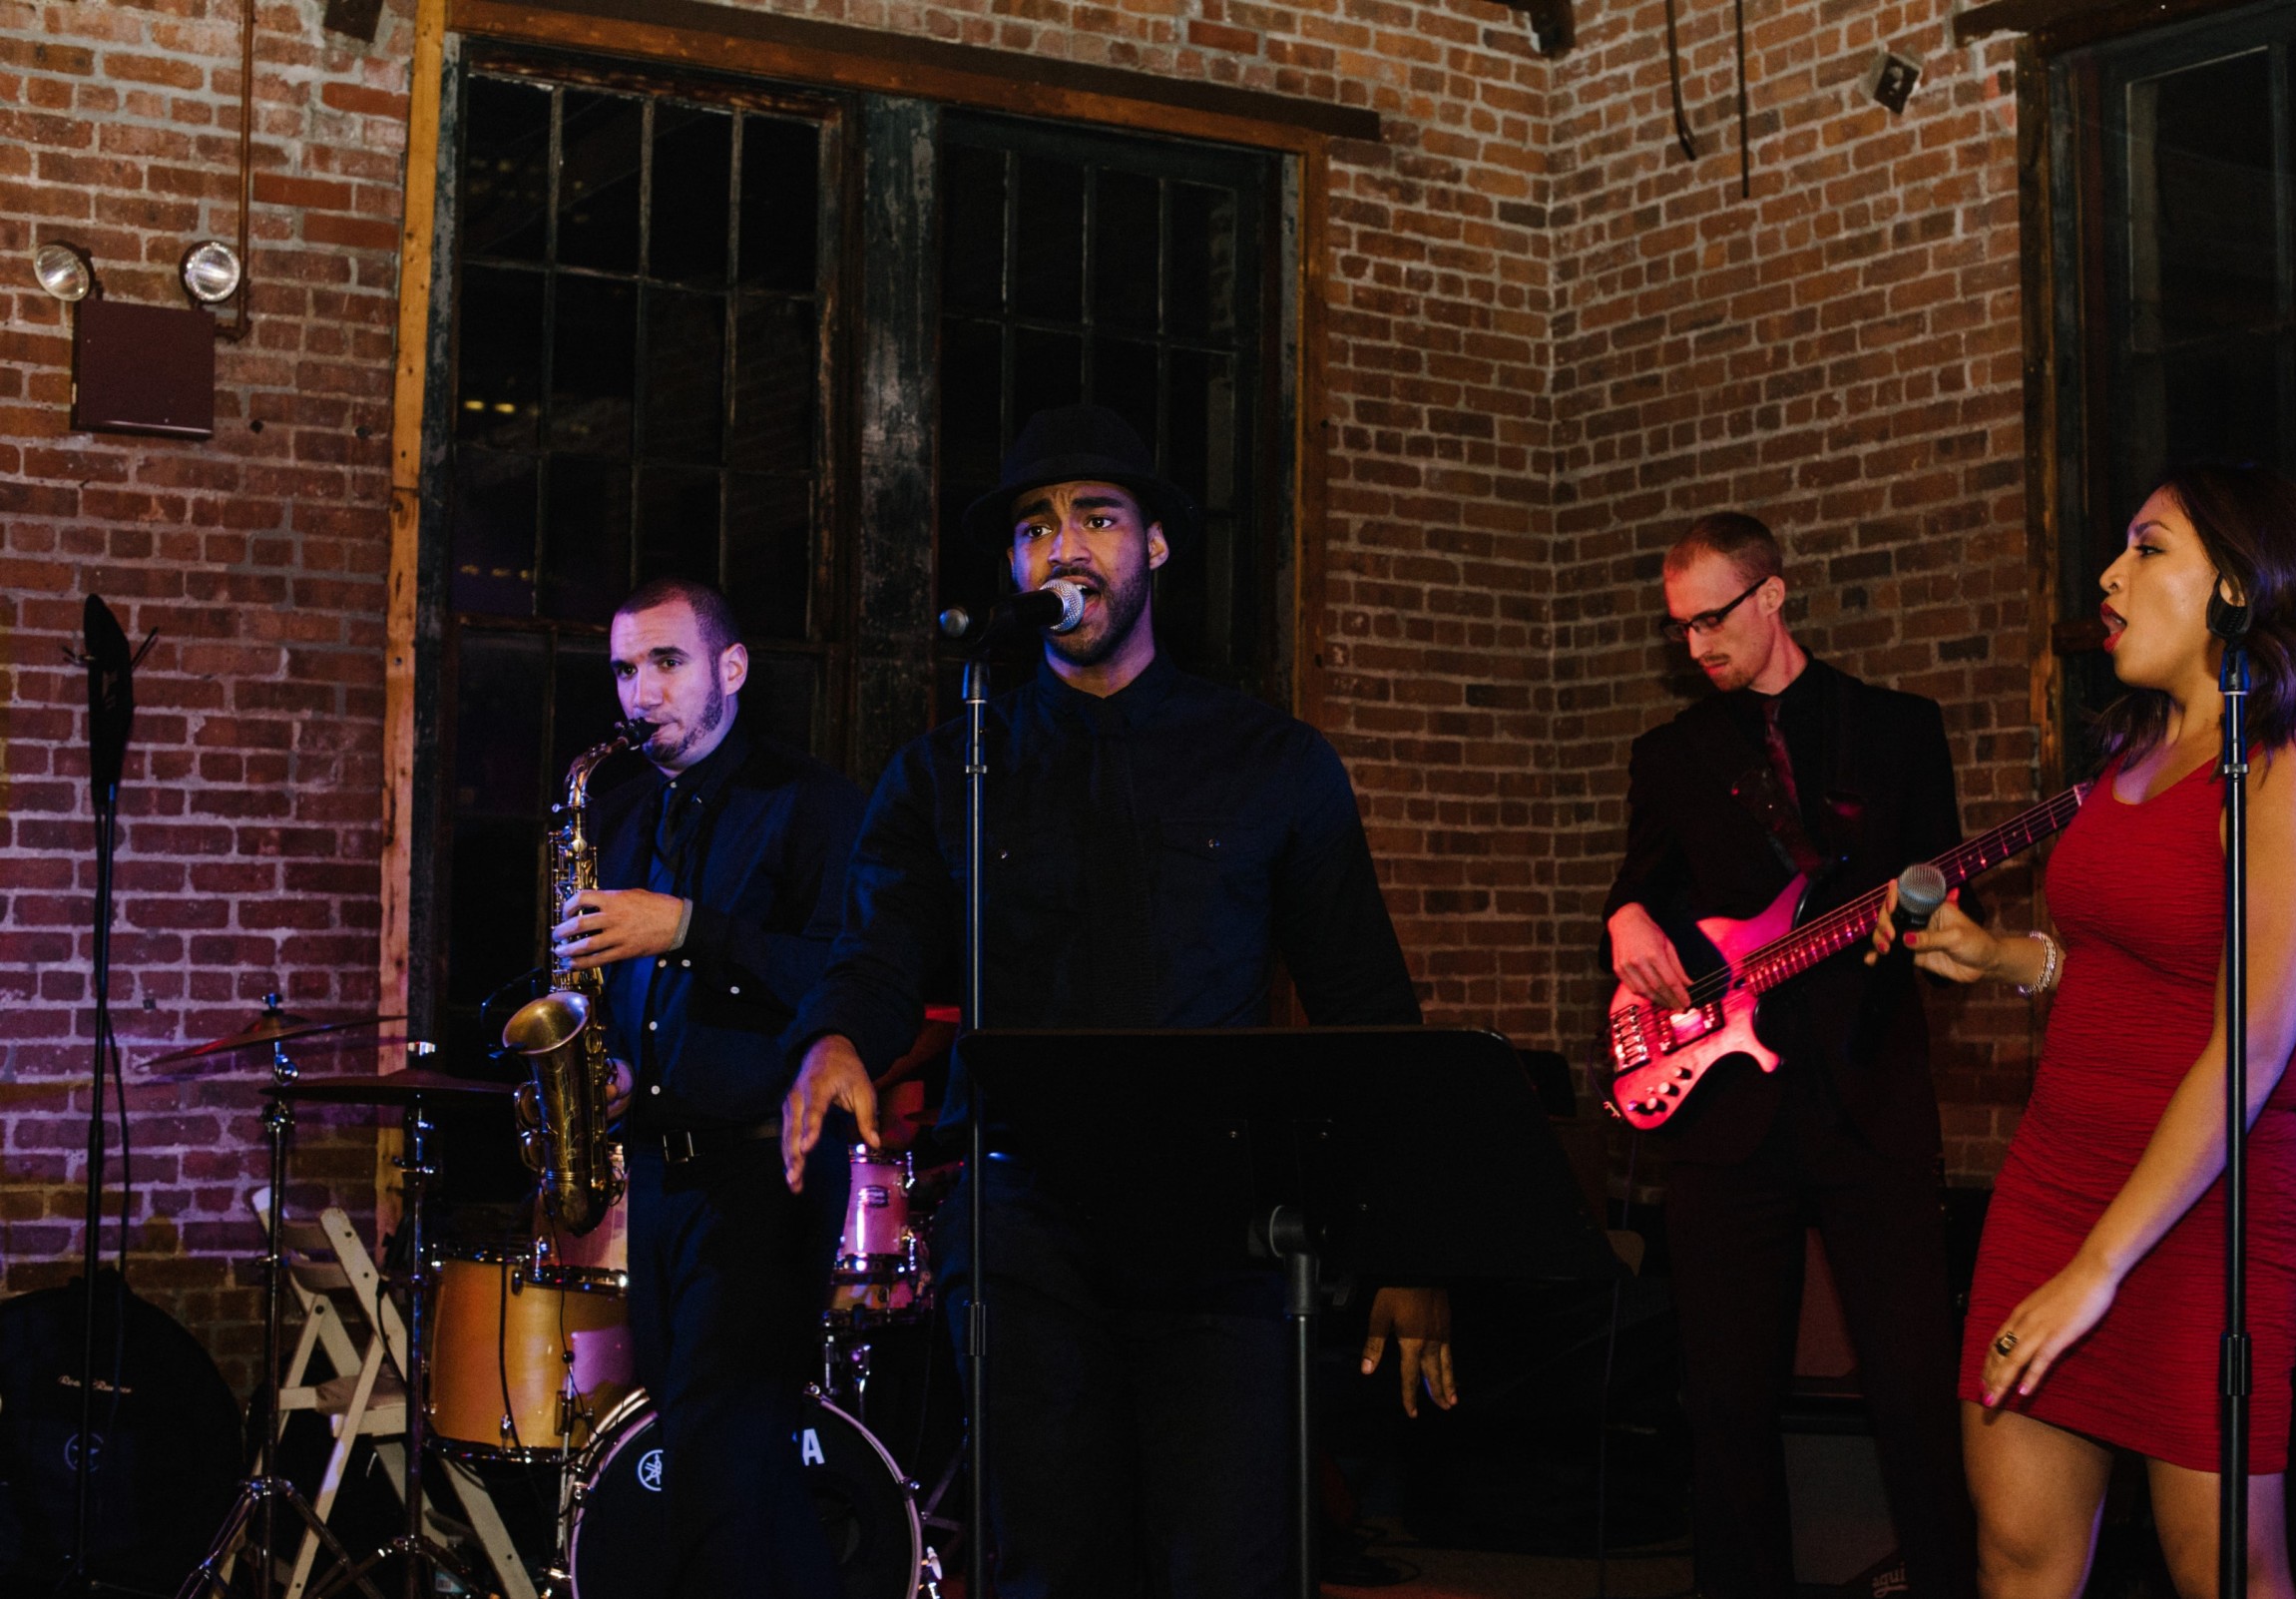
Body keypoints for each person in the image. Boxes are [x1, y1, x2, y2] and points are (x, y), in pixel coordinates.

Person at [779, 404, 1452, 1597]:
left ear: (1155, 549)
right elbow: (878, 950)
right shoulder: (950, 767)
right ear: (1013, 569)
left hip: (1227, 1236)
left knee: (1227, 1560)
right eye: (1036, 528)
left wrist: (1406, 1241)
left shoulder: (1269, 761)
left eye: (1098, 518)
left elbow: (1364, 1002)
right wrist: (837, 1037)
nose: (1065, 548)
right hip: (1027, 1228)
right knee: (1047, 1560)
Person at [1870, 464, 2296, 1599]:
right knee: (2013, 1549)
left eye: (2148, 548)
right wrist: (2006, 960)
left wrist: (2101, 1269)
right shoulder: (2134, 756)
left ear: (2240, 589)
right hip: (2055, 1180)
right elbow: (2128, 970)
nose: (2110, 572)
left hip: (2205, 1215)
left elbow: (2250, 1047)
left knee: (2227, 1571)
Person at [1604, 512, 1977, 1599]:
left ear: (1773, 595)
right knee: (1725, 1402)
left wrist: (1923, 919)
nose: (1696, 647)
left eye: (1712, 619)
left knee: (1912, 1394)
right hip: (1727, 1114)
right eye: (1678, 630)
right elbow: (1642, 890)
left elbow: (1953, 891)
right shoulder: (1671, 755)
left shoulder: (1899, 730)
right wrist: (1625, 924)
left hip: (1872, 1097)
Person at [551, 576, 867, 1597]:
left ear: (731, 668)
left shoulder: (811, 802)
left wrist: (686, 928)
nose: (640, 693)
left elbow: (835, 973)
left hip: (766, 1170)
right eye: (625, 669)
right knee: (733, 1470)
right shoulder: (627, 805)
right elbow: (623, 985)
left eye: (667, 663)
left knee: (720, 1469)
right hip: (662, 1167)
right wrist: (612, 1064)